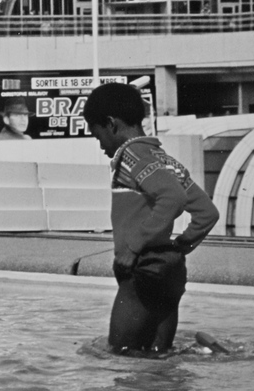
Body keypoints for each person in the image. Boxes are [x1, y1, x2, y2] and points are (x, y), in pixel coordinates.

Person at [82, 83, 219, 353]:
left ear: (111, 124)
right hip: (169, 271)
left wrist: (133, 248)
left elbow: (172, 199)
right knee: (158, 358)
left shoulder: (132, 156)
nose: (100, 146)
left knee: (118, 355)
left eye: (98, 137)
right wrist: (179, 247)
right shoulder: (164, 159)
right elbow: (207, 213)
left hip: (141, 271)